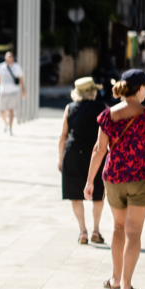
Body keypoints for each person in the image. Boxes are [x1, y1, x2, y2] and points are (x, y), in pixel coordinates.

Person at [85, 69, 145, 289]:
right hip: (141, 179)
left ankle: (114, 277)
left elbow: (99, 149)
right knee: (134, 231)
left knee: (118, 227)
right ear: (141, 88)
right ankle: (126, 285)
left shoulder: (108, 115)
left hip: (113, 177)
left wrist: (90, 181)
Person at [59, 77, 107, 244]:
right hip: (95, 154)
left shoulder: (70, 108)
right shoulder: (102, 108)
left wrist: (60, 159)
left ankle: (83, 231)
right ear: (93, 91)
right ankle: (96, 229)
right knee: (98, 193)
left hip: (73, 153)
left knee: (75, 193)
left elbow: (63, 136)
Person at [0, 51, 25, 135]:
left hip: (13, 91)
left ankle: (10, 128)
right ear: (5, 58)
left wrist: (23, 91)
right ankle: (5, 123)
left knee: (11, 110)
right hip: (3, 91)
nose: (9, 59)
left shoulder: (17, 67)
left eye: (10, 57)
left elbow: (21, 80)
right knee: (2, 110)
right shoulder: (1, 67)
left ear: (13, 58)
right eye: (7, 57)